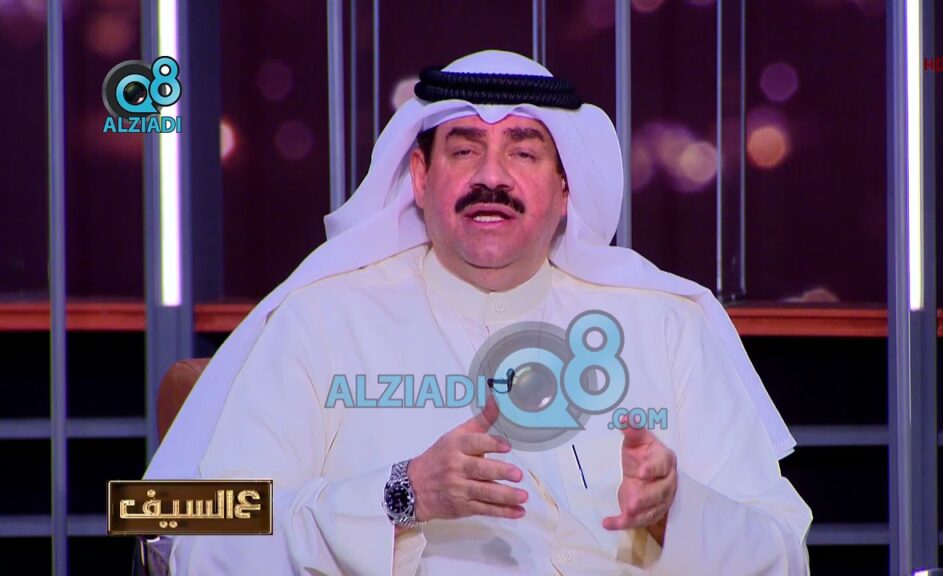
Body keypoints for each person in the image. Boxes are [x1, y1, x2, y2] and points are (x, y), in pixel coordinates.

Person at [146, 50, 811, 575]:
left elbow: (784, 551)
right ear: (419, 177)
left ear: (565, 187)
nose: (490, 178)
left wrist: (677, 512)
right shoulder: (320, 320)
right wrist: (400, 495)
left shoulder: (667, 326)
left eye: (523, 152)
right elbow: (196, 535)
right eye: (464, 151)